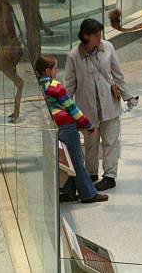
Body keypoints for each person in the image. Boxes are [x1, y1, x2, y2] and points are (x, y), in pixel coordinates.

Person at [65, 19, 139, 191]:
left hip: (109, 104)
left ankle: (110, 176)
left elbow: (117, 74)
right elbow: (69, 85)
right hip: (87, 108)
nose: (99, 37)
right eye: (95, 35)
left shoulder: (108, 48)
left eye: (100, 33)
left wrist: (128, 96)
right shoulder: (73, 56)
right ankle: (91, 173)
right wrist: (65, 109)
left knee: (111, 141)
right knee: (91, 143)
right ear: (85, 36)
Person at [36, 54, 108, 204]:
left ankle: (67, 191)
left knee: (65, 161)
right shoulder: (56, 86)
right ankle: (88, 193)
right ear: (48, 71)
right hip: (66, 128)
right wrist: (86, 124)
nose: (57, 71)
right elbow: (71, 107)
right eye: (55, 68)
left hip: (52, 127)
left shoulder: (38, 88)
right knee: (76, 160)